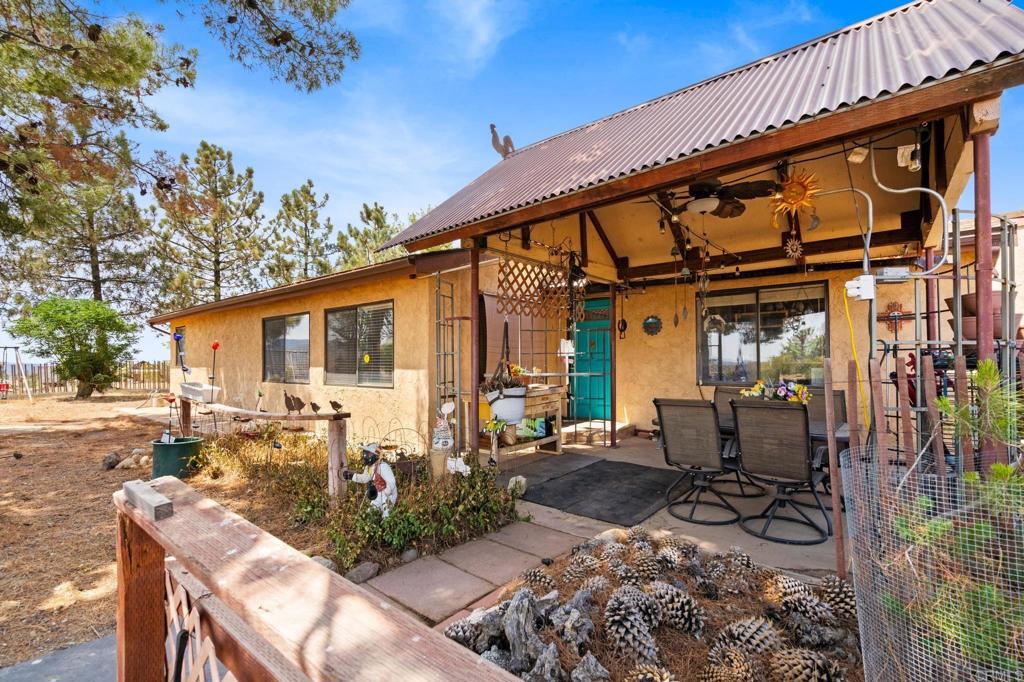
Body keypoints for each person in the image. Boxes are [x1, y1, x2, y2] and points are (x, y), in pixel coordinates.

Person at [342, 443, 397, 517]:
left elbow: (392, 482)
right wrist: (351, 476)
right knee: (369, 512)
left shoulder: (383, 466)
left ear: (375, 455)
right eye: (365, 453)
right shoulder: (370, 467)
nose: (365, 456)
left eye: (368, 454)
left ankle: (386, 521)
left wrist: (386, 492)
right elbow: (365, 478)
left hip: (388, 495)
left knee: (386, 516)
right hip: (378, 493)